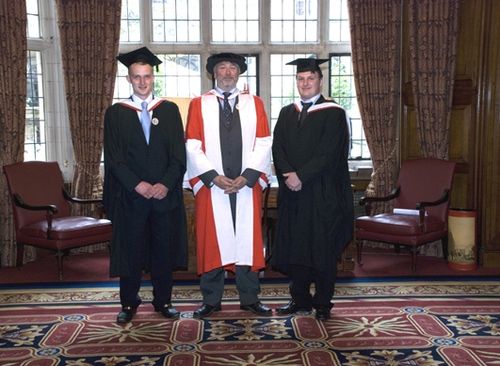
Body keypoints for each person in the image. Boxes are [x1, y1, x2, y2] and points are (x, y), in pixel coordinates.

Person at [103, 47, 188, 324]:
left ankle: (163, 301)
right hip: (131, 197)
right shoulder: (116, 113)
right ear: (129, 79)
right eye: (137, 77)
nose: (142, 82)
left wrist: (164, 184)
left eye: (147, 77)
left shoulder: (170, 110)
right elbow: (114, 159)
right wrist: (137, 184)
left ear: (154, 77)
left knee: (163, 250)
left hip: (164, 197)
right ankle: (129, 302)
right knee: (131, 251)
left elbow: (178, 155)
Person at [185, 53, 272, 319]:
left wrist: (248, 176)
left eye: (232, 68)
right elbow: (192, 144)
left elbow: (264, 141)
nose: (227, 72)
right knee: (212, 240)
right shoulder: (199, 104)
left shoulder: (253, 103)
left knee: (247, 241)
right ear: (213, 73)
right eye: (222, 68)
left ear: (239, 73)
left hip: (245, 185)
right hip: (214, 187)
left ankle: (250, 298)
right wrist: (212, 176)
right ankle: (211, 300)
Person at [271, 58, 354, 321]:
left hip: (322, 193)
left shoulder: (335, 113)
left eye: (310, 78)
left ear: (320, 80)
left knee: (321, 248)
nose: (305, 83)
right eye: (300, 79)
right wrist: (287, 174)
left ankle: (322, 302)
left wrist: (301, 176)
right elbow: (278, 147)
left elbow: (329, 154)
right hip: (293, 194)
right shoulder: (287, 112)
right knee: (297, 247)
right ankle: (299, 299)